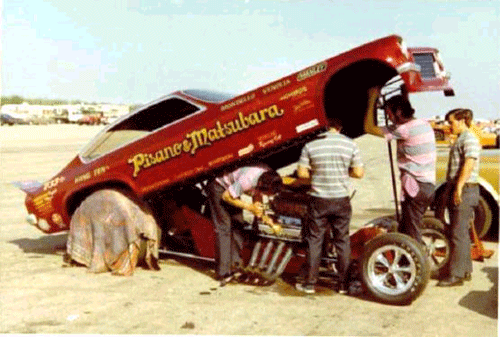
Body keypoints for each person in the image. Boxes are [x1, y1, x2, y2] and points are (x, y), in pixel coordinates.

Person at [294, 118, 364, 294]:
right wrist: (342, 173)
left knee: (314, 240)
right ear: (340, 126)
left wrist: (318, 175)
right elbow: (358, 172)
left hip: (319, 199)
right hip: (341, 199)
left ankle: (310, 283)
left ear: (324, 125)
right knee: (342, 241)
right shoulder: (350, 145)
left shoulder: (311, 145)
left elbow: (302, 174)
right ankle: (343, 284)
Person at [364, 88, 436, 245]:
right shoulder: (423, 124)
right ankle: (407, 258)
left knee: (411, 233)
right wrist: (404, 94)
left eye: (389, 114)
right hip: (428, 186)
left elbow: (369, 128)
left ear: (398, 112)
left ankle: (414, 262)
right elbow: (403, 112)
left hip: (416, 188)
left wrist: (371, 99)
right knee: (409, 224)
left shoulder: (404, 130)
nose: (389, 118)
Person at [207, 164, 283, 286]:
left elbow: (257, 195)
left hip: (231, 190)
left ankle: (235, 265)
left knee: (238, 225)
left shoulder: (269, 175)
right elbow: (226, 196)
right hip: (219, 187)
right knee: (224, 228)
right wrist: (249, 207)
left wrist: (263, 216)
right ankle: (223, 273)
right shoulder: (248, 179)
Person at [437, 108, 480, 287]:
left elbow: (469, 163)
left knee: (458, 233)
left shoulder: (469, 138)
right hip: (461, 188)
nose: (449, 126)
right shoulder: (462, 139)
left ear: (462, 120)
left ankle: (456, 275)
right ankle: (465, 270)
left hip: (465, 189)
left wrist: (459, 188)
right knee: (459, 232)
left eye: (451, 122)